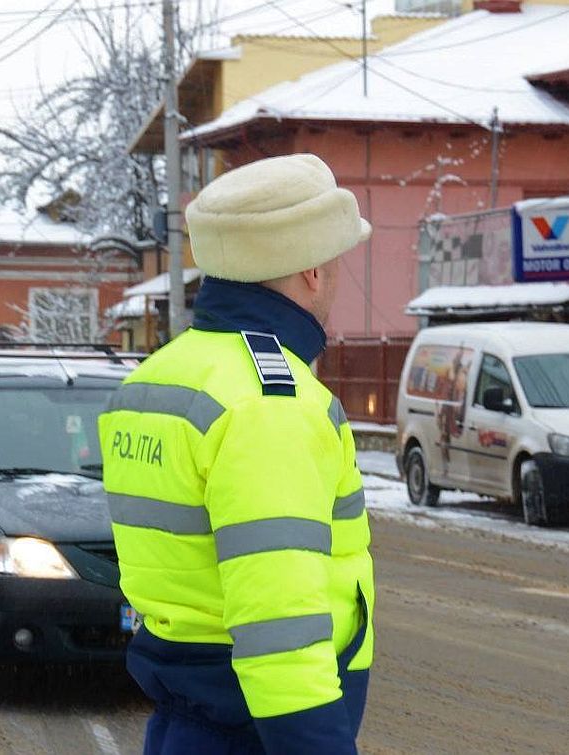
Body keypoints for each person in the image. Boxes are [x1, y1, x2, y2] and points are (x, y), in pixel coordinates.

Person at [99, 153, 375, 754]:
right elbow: (279, 624)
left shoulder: (160, 376)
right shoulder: (270, 403)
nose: (335, 277)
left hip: (184, 716)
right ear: (309, 272)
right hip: (253, 731)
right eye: (334, 262)